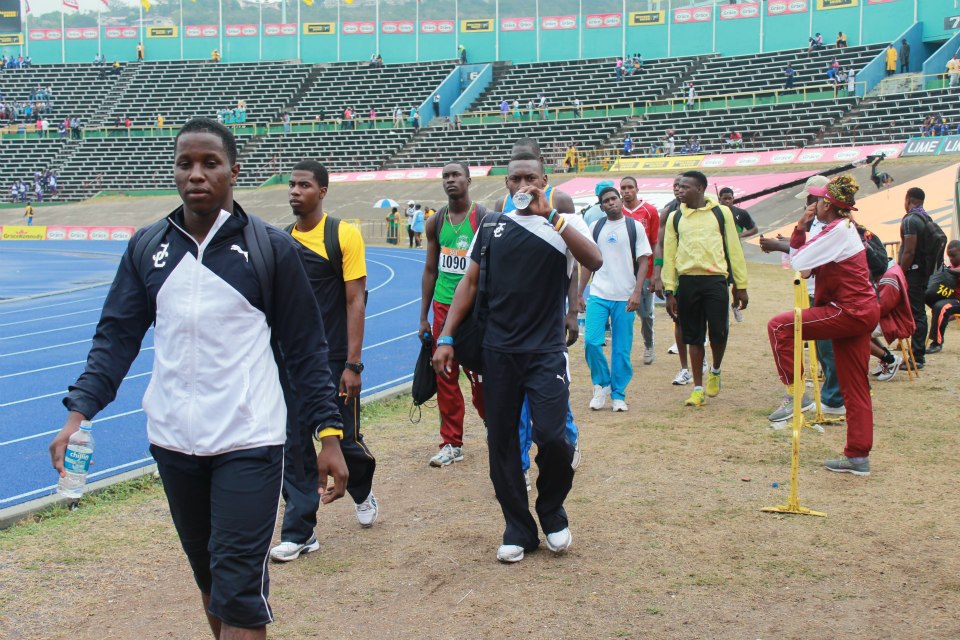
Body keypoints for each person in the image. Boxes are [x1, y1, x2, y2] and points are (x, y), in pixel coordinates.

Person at [48, 118, 348, 638]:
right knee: (209, 578)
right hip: (173, 442)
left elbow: (306, 351)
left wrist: (330, 434)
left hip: (248, 440)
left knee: (239, 592)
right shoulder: (147, 247)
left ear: (234, 171)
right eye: (185, 163)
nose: (196, 174)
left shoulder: (270, 249)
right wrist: (79, 413)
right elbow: (116, 338)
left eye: (210, 163)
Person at [432, 152, 602, 564]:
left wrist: (553, 217)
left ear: (544, 180)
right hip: (498, 352)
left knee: (554, 439)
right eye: (515, 179)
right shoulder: (492, 225)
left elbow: (594, 260)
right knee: (503, 442)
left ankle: (552, 511)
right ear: (506, 184)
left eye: (530, 178)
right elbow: (469, 283)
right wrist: (447, 335)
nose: (523, 185)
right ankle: (517, 528)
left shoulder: (563, 222)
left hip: (545, 352)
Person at [270, 160, 378, 564]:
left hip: (333, 358)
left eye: (304, 185)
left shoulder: (342, 235)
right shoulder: (282, 241)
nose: (295, 191)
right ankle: (301, 531)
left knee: (344, 440)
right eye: (291, 185)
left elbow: (355, 299)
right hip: (292, 360)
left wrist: (353, 364)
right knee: (294, 442)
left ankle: (362, 490)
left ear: (322, 192)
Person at [767, 176, 879, 476]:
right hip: (860, 311)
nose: (812, 204)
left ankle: (797, 395)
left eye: (816, 200)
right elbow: (805, 270)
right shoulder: (841, 228)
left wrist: (800, 228)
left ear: (827, 205)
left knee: (779, 327)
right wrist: (802, 231)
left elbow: (798, 262)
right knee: (855, 387)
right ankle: (858, 456)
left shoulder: (837, 231)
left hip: (848, 311)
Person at [759, 175, 845, 418]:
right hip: (816, 291)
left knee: (827, 348)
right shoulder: (819, 222)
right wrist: (792, 239)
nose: (806, 204)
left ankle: (832, 399)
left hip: (827, 293)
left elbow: (807, 260)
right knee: (823, 348)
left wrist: (782, 245)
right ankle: (829, 397)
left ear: (823, 201)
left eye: (810, 199)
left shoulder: (832, 225)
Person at [419, 162, 488, 466]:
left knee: (480, 376)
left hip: (472, 310)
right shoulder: (435, 222)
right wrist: (423, 315)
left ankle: (492, 422)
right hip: (442, 308)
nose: (450, 180)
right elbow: (430, 270)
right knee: (445, 376)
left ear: (468, 180)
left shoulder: (482, 217)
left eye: (456, 175)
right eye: (445, 176)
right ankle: (451, 443)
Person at [661, 171, 749, 407]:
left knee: (719, 332)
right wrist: (669, 290)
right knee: (693, 336)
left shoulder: (721, 213)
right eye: (678, 186)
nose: (679, 191)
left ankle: (716, 370)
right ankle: (698, 389)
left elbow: (734, 249)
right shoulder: (675, 217)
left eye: (685, 187)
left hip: (715, 280)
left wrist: (741, 286)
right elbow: (669, 255)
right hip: (687, 281)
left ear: (700, 188)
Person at [579, 186, 651, 412]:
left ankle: (618, 394)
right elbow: (588, 262)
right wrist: (580, 292)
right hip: (599, 294)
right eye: (606, 201)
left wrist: (637, 291)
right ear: (601, 206)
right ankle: (602, 385)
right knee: (591, 342)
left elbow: (643, 261)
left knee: (621, 349)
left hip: (625, 296)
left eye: (614, 198)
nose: (611, 202)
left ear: (620, 200)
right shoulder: (595, 227)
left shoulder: (634, 226)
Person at [620, 176, 659, 365]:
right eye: (623, 188)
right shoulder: (617, 211)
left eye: (630, 187)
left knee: (644, 313)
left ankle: (649, 344)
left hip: (645, 271)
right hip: (622, 271)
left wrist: (656, 273)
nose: (626, 191)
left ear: (637, 189)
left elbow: (655, 243)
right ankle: (623, 349)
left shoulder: (650, 211)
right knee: (622, 313)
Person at [899, 187, 934, 370]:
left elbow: (909, 251)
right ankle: (915, 352)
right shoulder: (926, 218)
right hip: (923, 272)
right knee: (917, 312)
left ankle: (917, 357)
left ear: (908, 199)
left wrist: (900, 271)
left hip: (913, 273)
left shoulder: (911, 220)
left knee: (917, 313)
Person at [926, 240, 960, 353]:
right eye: (949, 256)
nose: (951, 259)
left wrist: (949, 271)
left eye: (953, 256)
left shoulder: (952, 269)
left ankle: (936, 343)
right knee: (928, 296)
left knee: (942, 307)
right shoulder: (952, 266)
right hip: (954, 299)